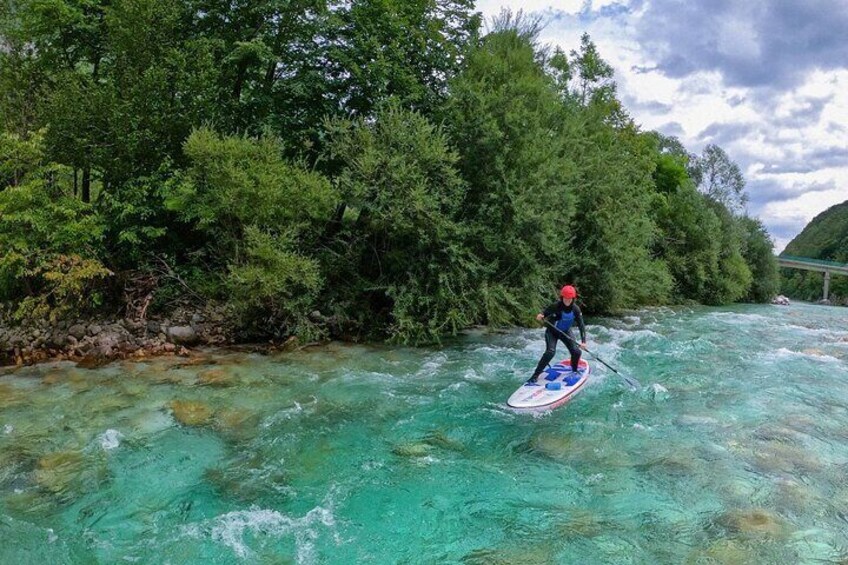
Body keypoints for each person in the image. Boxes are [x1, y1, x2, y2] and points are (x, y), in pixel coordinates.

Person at [528, 285, 587, 383]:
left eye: (570, 299)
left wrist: (583, 341)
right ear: (562, 297)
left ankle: (574, 371)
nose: (567, 301)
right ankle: (535, 375)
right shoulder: (556, 306)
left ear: (573, 299)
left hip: (565, 332)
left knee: (576, 352)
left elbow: (581, 325)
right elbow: (544, 313)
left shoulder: (576, 309)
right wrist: (541, 315)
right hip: (552, 332)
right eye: (565, 298)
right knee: (550, 352)